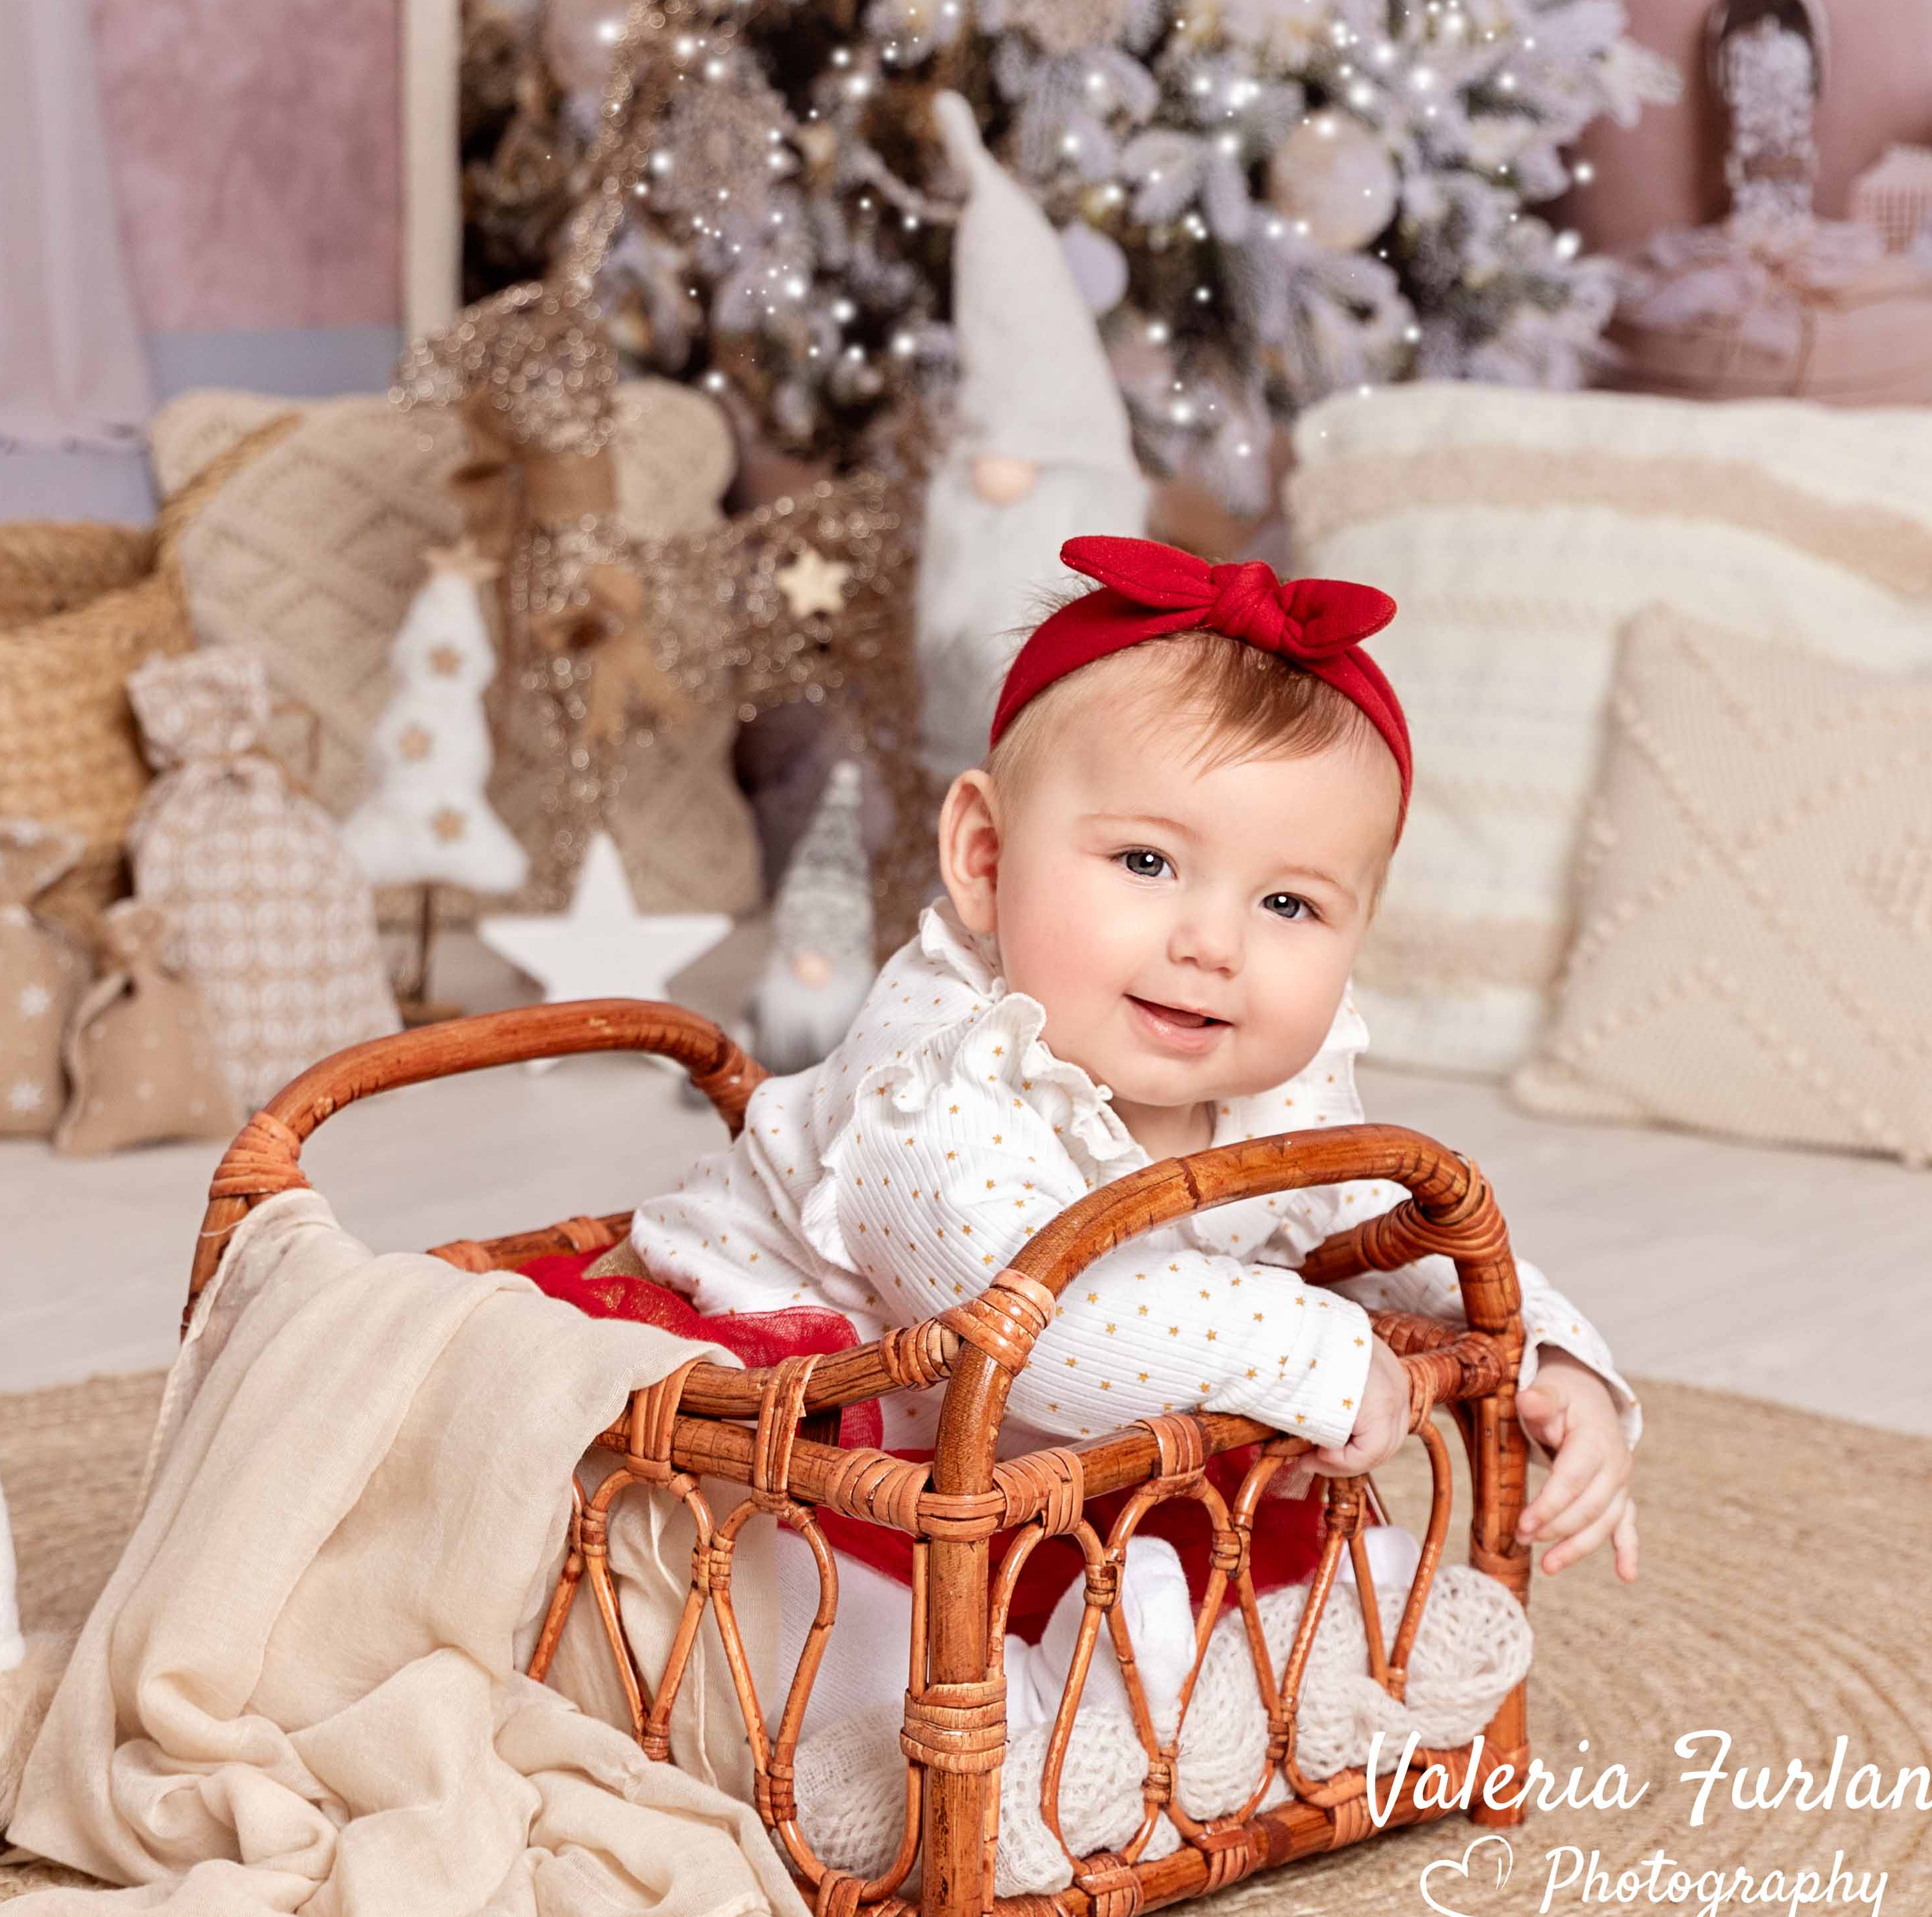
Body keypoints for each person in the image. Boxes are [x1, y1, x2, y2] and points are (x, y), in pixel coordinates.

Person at [624, 533, 1640, 1639]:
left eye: (1289, 904)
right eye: (1147, 863)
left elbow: (1390, 1237)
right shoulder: (933, 1075)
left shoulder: (1271, 1089)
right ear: (983, 855)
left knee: (1251, 1533)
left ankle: (1204, 1677)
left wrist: (1556, 1362)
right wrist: (1321, 1352)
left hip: (1007, 1486)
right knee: (807, 1632)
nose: (1213, 944)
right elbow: (1024, 1337)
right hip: (786, 1441)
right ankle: (1012, 1721)